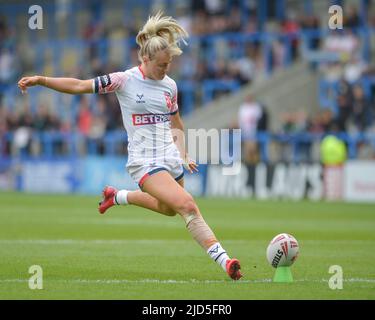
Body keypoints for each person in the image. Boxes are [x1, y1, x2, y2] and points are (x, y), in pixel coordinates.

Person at [18, 12, 242, 280]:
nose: (165, 70)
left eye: (168, 64)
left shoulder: (169, 86)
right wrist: (42, 80)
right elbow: (79, 85)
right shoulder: (123, 80)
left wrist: (183, 153)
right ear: (145, 59)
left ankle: (118, 196)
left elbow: (176, 123)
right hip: (144, 162)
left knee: (170, 209)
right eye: (161, 65)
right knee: (188, 206)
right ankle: (225, 261)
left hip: (170, 156)